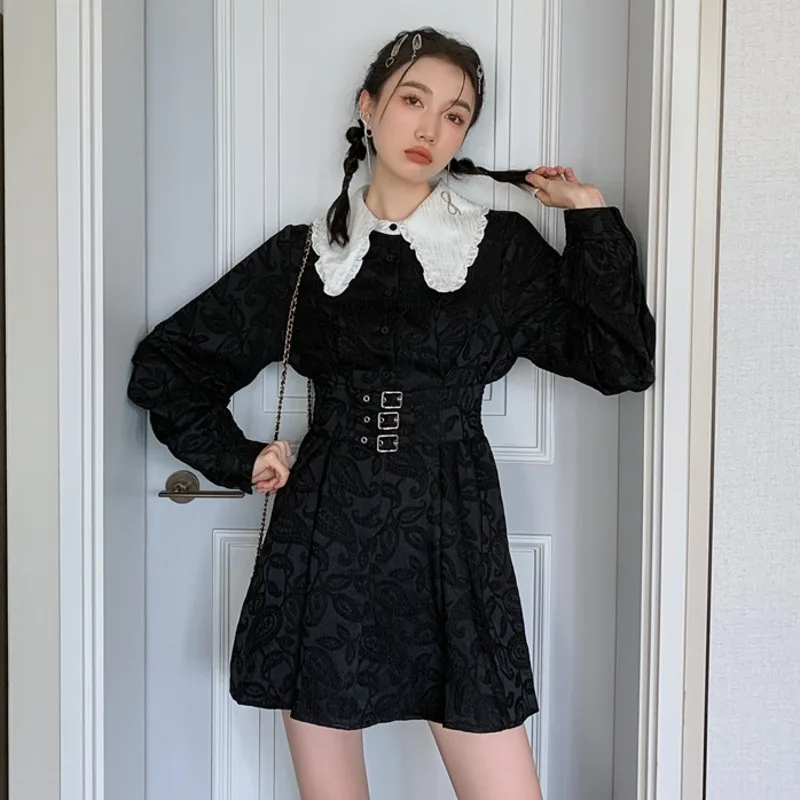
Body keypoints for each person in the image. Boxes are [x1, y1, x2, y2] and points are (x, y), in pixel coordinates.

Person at [127, 26, 655, 800]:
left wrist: (589, 216)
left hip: (455, 534)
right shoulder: (307, 257)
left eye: (455, 114)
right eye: (413, 100)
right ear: (369, 106)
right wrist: (240, 457)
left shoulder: (497, 251)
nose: (431, 127)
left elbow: (619, 361)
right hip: (326, 541)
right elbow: (169, 363)